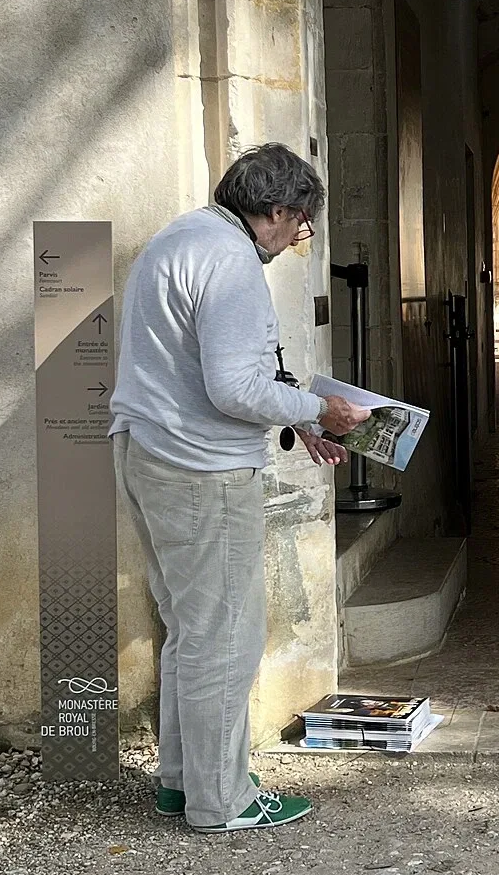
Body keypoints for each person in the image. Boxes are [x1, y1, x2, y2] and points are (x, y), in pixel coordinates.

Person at [109, 144, 369, 832]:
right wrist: (321, 411)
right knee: (225, 636)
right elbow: (232, 387)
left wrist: (297, 415)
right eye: (299, 225)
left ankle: (182, 781)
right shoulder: (229, 261)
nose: (294, 240)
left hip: (148, 451)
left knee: (189, 630)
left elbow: (222, 371)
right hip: (201, 469)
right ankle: (223, 800)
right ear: (277, 211)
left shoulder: (179, 237)